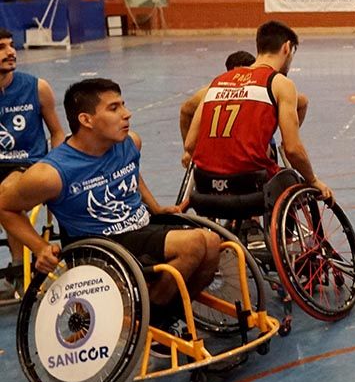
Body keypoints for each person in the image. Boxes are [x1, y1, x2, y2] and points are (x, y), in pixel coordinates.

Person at [0, 78, 221, 343]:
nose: (126, 114)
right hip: (102, 245)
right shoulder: (51, 174)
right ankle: (155, 325)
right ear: (86, 119)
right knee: (195, 244)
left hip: (139, 227)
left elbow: (131, 173)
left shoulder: (129, 143)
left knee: (212, 243)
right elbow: (5, 207)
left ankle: (162, 318)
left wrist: (155, 207)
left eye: (123, 105)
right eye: (114, 108)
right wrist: (39, 247)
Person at [185, 20, 331, 202]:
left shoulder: (217, 82)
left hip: (205, 184)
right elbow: (293, 150)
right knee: (292, 179)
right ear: (286, 48)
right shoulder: (280, 83)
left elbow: (190, 144)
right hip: (250, 184)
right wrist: (313, 180)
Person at [0, 28, 66, 293]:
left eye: (11, 45)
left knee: (5, 194)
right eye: (1, 47)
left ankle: (22, 264)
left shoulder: (36, 87)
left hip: (27, 163)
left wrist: (55, 165)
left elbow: (58, 132)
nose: (11, 52)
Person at [178, 50, 309, 142]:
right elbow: (185, 110)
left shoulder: (213, 89)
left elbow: (302, 101)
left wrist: (289, 135)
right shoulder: (213, 89)